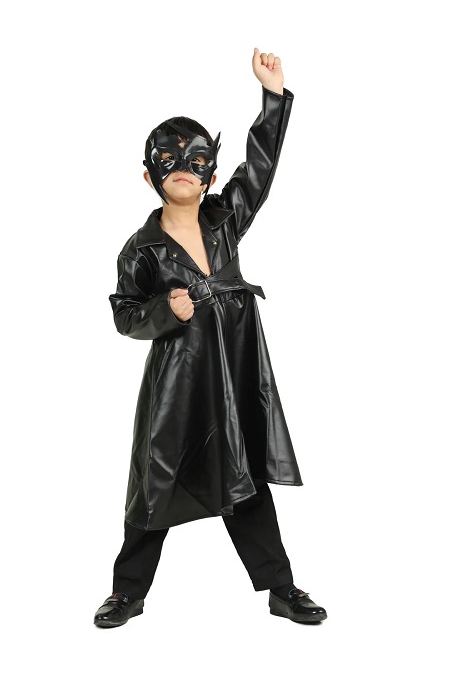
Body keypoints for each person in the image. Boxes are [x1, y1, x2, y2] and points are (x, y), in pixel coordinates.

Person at [94, 48, 327, 628]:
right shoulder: (141, 249)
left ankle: (281, 587)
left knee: (242, 471)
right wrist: (163, 310)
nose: (183, 167)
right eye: (169, 159)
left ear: (210, 176)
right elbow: (125, 315)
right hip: (178, 382)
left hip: (234, 365)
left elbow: (260, 170)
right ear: (149, 176)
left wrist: (273, 98)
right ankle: (127, 591)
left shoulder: (225, 221)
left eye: (196, 160)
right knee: (157, 476)